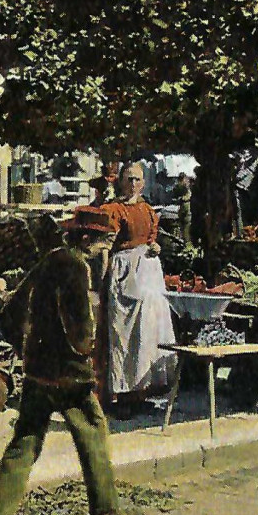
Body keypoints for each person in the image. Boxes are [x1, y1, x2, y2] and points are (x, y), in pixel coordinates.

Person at [0, 206, 147, 515]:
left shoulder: (47, 261)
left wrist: (26, 352)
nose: (105, 250)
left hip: (38, 372)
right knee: (93, 430)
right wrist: (86, 352)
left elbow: (12, 312)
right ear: (87, 238)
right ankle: (106, 511)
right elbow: (80, 327)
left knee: (24, 443)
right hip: (68, 374)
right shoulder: (75, 267)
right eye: (104, 243)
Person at [102, 163, 178, 410]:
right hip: (126, 271)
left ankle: (144, 391)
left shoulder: (147, 210)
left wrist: (155, 247)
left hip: (149, 272)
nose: (133, 183)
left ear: (143, 183)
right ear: (121, 181)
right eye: (128, 179)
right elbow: (107, 245)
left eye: (137, 179)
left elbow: (151, 238)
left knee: (149, 330)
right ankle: (124, 393)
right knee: (126, 332)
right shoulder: (114, 209)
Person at [170, 173, 195, 244]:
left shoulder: (186, 187)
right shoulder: (181, 186)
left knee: (186, 227)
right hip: (184, 207)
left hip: (187, 208)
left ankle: (187, 243)